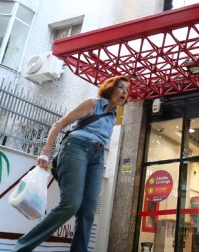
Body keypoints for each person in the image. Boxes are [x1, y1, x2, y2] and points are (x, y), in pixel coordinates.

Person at [12, 76, 130, 251]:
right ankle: (21, 248)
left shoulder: (114, 115)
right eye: (121, 87)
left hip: (97, 156)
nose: (124, 92)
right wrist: (46, 153)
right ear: (110, 88)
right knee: (71, 205)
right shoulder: (92, 104)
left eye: (127, 90)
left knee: (88, 211)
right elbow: (58, 124)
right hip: (76, 148)